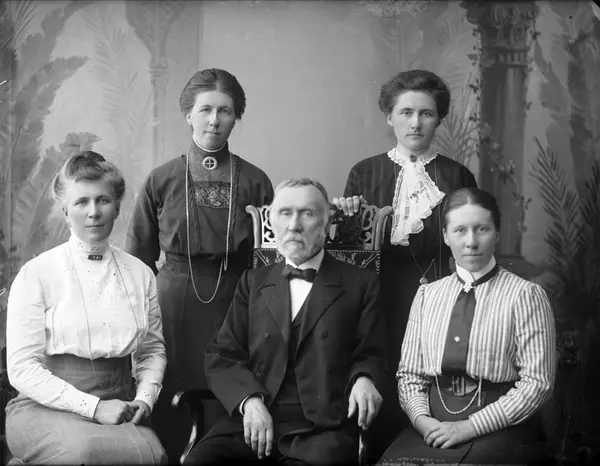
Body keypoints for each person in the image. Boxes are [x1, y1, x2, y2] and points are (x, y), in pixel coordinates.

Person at [125, 68, 274, 462]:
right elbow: (138, 259)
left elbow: (270, 260)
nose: (214, 120)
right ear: (188, 114)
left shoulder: (256, 181)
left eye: (225, 111)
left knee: (230, 390)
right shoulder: (162, 179)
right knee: (172, 393)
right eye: (205, 109)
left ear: (236, 117)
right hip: (173, 302)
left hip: (237, 301)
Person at [185, 178, 388, 465]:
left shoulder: (362, 284)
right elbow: (222, 354)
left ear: (327, 223)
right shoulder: (252, 282)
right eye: (285, 213)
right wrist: (249, 402)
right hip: (254, 420)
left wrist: (365, 378)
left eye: (307, 213)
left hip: (321, 428)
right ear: (272, 221)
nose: (294, 225)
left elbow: (372, 353)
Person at [332, 69, 478, 456]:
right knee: (381, 376)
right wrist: (348, 215)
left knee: (430, 383)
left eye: (426, 113)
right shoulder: (365, 172)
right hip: (379, 297)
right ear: (389, 117)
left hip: (440, 295)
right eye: (406, 112)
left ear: (438, 119)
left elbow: (471, 244)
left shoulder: (457, 175)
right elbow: (350, 252)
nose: (416, 123)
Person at [5, 152, 167, 464]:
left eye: (102, 200)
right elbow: (22, 367)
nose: (93, 212)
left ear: (117, 206)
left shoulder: (140, 273)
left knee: (153, 456)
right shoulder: (37, 273)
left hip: (119, 407)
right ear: (65, 210)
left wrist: (144, 399)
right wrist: (94, 407)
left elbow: (152, 350)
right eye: (81, 202)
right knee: (86, 453)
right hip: (45, 408)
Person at [379, 187, 556, 465]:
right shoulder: (427, 295)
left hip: (501, 426)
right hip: (433, 425)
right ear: (446, 236)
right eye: (460, 230)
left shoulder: (525, 295)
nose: (471, 242)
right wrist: (423, 421)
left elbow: (537, 383)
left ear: (497, 234)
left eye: (482, 229)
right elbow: (410, 375)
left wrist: (469, 427)